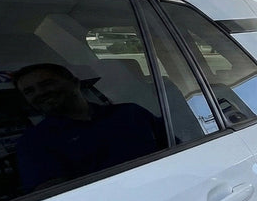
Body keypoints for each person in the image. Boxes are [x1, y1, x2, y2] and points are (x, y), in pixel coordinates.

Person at [12, 63, 164, 191]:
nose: (40, 93)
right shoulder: (34, 142)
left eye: (46, 84)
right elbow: (54, 196)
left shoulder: (130, 112)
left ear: (75, 82)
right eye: (29, 91)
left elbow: (174, 145)